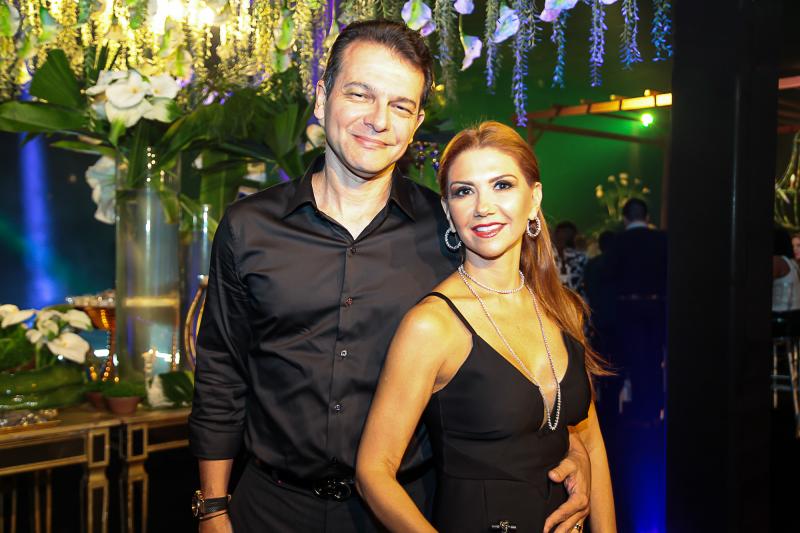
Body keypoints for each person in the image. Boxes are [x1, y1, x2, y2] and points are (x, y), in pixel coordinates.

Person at [188, 21, 591, 532]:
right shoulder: (249, 228)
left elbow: (513, 352)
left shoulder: (450, 230)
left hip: (408, 508)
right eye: (360, 94)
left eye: (400, 106)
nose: (378, 120)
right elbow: (221, 372)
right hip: (271, 507)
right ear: (322, 98)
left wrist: (567, 447)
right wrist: (213, 507)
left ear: (416, 122)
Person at [356, 121, 616, 533]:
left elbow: (590, 440)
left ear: (534, 198)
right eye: (464, 191)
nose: (483, 207)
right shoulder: (432, 325)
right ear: (448, 211)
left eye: (502, 185)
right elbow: (373, 472)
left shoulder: (562, 308)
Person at [554, 221, 588, 297]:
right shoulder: (550, 260)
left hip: (579, 300)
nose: (562, 238)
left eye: (566, 236)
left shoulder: (581, 258)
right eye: (559, 237)